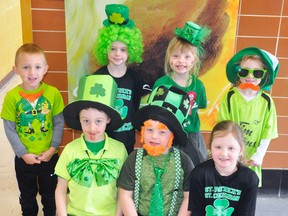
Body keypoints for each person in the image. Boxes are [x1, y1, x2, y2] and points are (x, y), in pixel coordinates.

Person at [0, 43, 65, 216]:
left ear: (45, 69)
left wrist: (53, 149)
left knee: (50, 195)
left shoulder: (53, 93)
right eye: (25, 67)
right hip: (24, 158)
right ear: (16, 70)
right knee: (27, 195)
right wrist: (22, 153)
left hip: (49, 156)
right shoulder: (11, 97)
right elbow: (9, 128)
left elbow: (59, 122)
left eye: (37, 67)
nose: (32, 72)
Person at [54, 75, 128, 216]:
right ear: (79, 120)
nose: (92, 128)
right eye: (86, 121)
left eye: (98, 121)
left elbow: (123, 190)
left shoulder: (119, 149)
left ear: (108, 119)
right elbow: (60, 189)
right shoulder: (70, 150)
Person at [118, 85, 194, 216]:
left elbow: (189, 198)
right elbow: (125, 194)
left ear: (172, 135)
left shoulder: (184, 162)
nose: (154, 136)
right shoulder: (134, 159)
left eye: (162, 132)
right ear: (142, 130)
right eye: (149, 129)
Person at [217, 47, 279, 187]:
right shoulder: (230, 97)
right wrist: (227, 152)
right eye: (245, 71)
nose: (250, 76)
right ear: (238, 73)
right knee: (228, 190)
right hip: (230, 157)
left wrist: (259, 155)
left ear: (264, 75)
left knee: (247, 193)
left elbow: (268, 133)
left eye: (257, 72)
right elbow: (223, 127)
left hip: (252, 160)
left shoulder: (266, 102)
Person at [152, 21, 211, 166]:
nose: (181, 61)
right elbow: (154, 112)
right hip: (166, 135)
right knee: (167, 170)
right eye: (176, 56)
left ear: (194, 60)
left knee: (195, 170)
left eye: (187, 57)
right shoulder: (161, 84)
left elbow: (200, 107)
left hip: (191, 136)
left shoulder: (198, 86)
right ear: (169, 58)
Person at [93, 4, 145, 154]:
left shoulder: (135, 78)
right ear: (105, 49)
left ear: (131, 52)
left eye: (123, 49)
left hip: (126, 138)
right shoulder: (98, 76)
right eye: (113, 48)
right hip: (103, 139)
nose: (117, 54)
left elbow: (135, 105)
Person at [188, 120, 259, 215]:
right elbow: (196, 212)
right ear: (210, 147)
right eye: (218, 147)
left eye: (231, 148)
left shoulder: (250, 179)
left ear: (240, 149)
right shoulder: (199, 174)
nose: (224, 153)